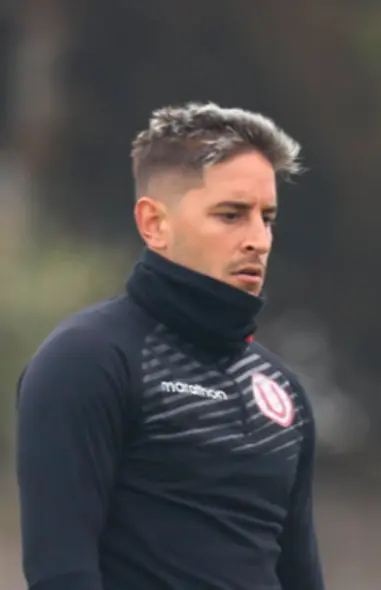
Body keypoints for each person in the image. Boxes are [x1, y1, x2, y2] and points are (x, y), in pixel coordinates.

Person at [16, 102, 324, 589]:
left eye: (267, 217)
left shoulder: (281, 391)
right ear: (153, 223)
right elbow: (60, 572)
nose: (259, 240)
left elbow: (301, 578)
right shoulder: (88, 360)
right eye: (231, 215)